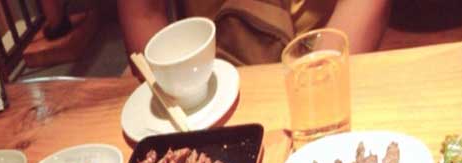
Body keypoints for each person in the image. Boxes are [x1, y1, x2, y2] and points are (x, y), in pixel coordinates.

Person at [117, 0, 391, 66]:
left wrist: (315, 80)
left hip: (316, 57)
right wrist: (180, 86)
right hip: (203, 72)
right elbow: (144, 14)